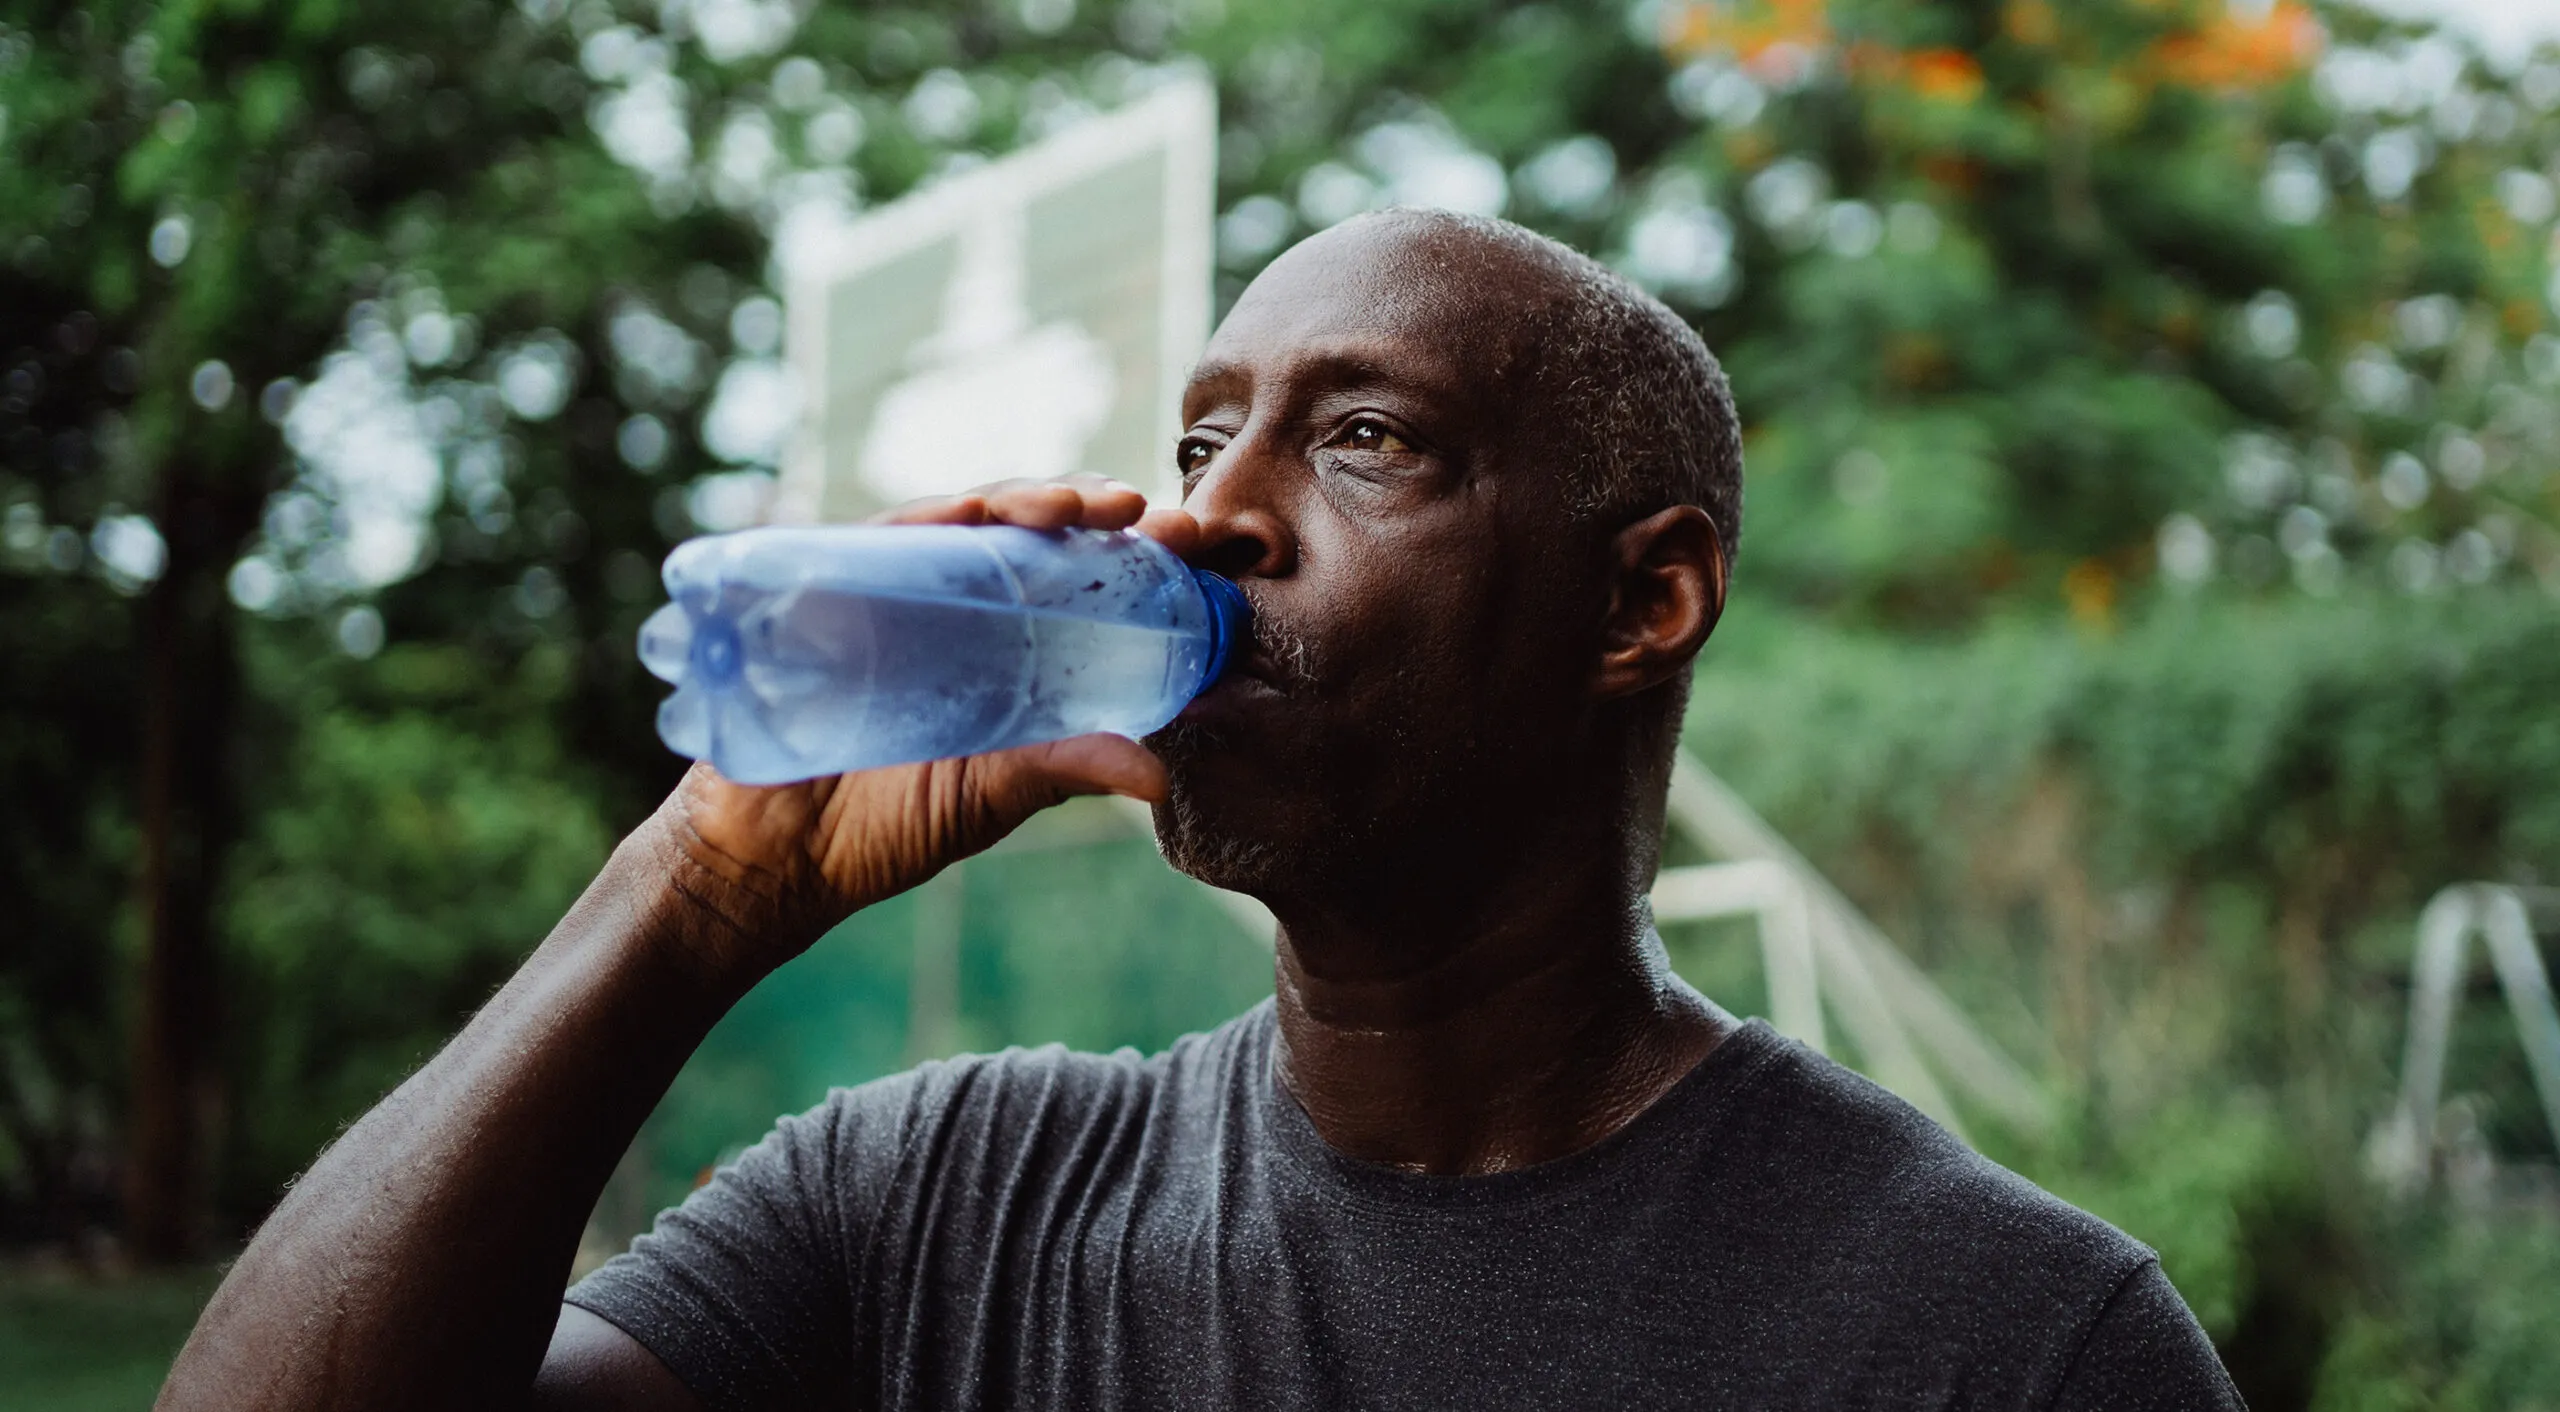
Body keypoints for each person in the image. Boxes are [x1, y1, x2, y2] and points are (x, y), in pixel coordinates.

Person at [160, 210, 2242, 1411]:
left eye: (1360, 438)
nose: (1201, 515)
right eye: (1194, 437)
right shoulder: (932, 1206)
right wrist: (697, 883)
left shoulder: (2003, 1339)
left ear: (1640, 598)